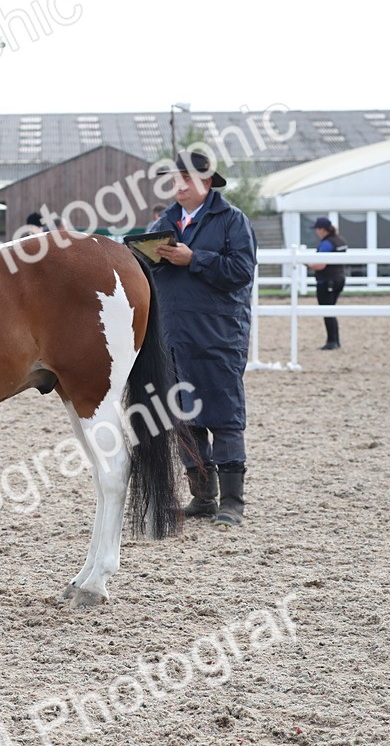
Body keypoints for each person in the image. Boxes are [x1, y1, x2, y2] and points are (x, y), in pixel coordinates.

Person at [148, 151, 258, 528]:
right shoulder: (163, 223)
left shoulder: (232, 221)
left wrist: (194, 259)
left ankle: (232, 503)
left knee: (224, 417)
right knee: (182, 418)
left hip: (218, 335)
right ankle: (202, 496)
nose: (178, 186)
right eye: (174, 179)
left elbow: (241, 271)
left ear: (207, 182)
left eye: (186, 179)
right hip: (172, 336)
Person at [308, 217, 348, 350]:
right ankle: (334, 339)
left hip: (327, 280)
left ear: (322, 229)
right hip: (339, 278)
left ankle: (332, 340)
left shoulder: (327, 244)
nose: (316, 232)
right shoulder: (340, 241)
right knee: (331, 309)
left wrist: (308, 264)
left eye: (317, 229)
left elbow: (320, 265)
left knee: (327, 309)